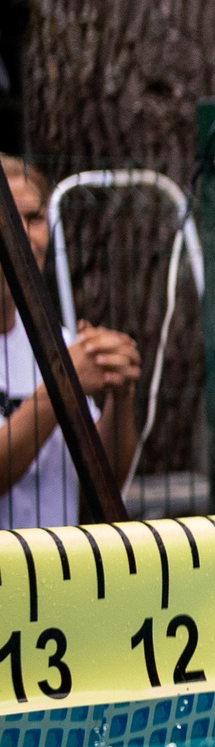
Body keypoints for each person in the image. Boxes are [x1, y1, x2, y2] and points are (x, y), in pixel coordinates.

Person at [0, 156, 140, 527]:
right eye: (7, 221)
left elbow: (104, 480)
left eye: (34, 218)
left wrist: (119, 392)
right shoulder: (64, 361)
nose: (23, 236)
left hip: (60, 576)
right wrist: (62, 384)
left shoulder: (56, 341)